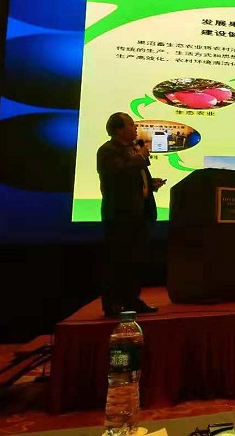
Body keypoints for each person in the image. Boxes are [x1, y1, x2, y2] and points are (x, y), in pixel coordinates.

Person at [97, 113, 162, 317]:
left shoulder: (132, 149)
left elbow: (133, 179)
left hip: (139, 214)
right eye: (131, 125)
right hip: (120, 216)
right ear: (118, 129)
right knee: (117, 261)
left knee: (136, 261)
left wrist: (150, 184)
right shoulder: (108, 150)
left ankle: (132, 300)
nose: (135, 129)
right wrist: (141, 157)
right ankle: (113, 304)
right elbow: (118, 175)